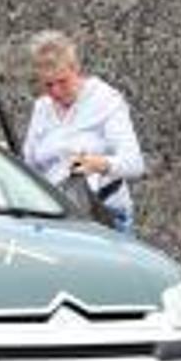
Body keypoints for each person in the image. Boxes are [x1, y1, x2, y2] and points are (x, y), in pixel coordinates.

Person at [22, 30, 145, 234]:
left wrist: (99, 164)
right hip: (56, 218)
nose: (56, 92)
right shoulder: (42, 108)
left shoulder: (104, 100)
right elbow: (29, 165)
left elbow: (135, 164)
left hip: (103, 215)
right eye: (48, 85)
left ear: (75, 69)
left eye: (62, 82)